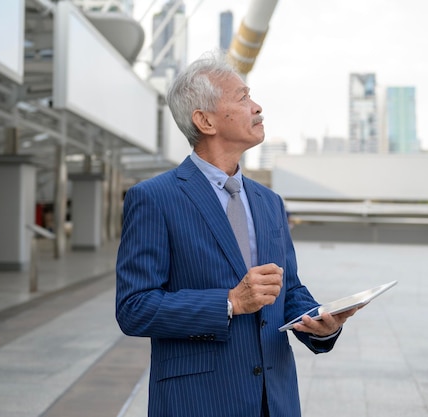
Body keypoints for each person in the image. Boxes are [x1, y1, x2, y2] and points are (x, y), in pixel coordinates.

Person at [115, 51, 359, 417]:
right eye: (243, 98)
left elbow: (287, 289)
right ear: (205, 120)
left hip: (274, 402)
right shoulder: (153, 199)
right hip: (197, 401)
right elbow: (134, 308)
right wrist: (228, 302)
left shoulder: (270, 202)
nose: (257, 106)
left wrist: (320, 324)